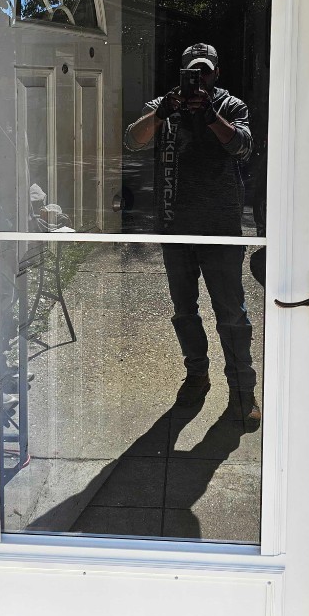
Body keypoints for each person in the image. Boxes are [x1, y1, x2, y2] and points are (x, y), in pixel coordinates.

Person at [124, 43, 260, 423]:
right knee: (184, 310)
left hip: (220, 229)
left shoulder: (230, 106)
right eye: (193, 72)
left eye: (206, 71)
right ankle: (197, 375)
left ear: (217, 73)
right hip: (175, 226)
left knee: (232, 314)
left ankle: (243, 389)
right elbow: (132, 140)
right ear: (183, 72)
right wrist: (162, 111)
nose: (199, 79)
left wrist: (211, 115)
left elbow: (243, 148)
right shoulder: (163, 106)